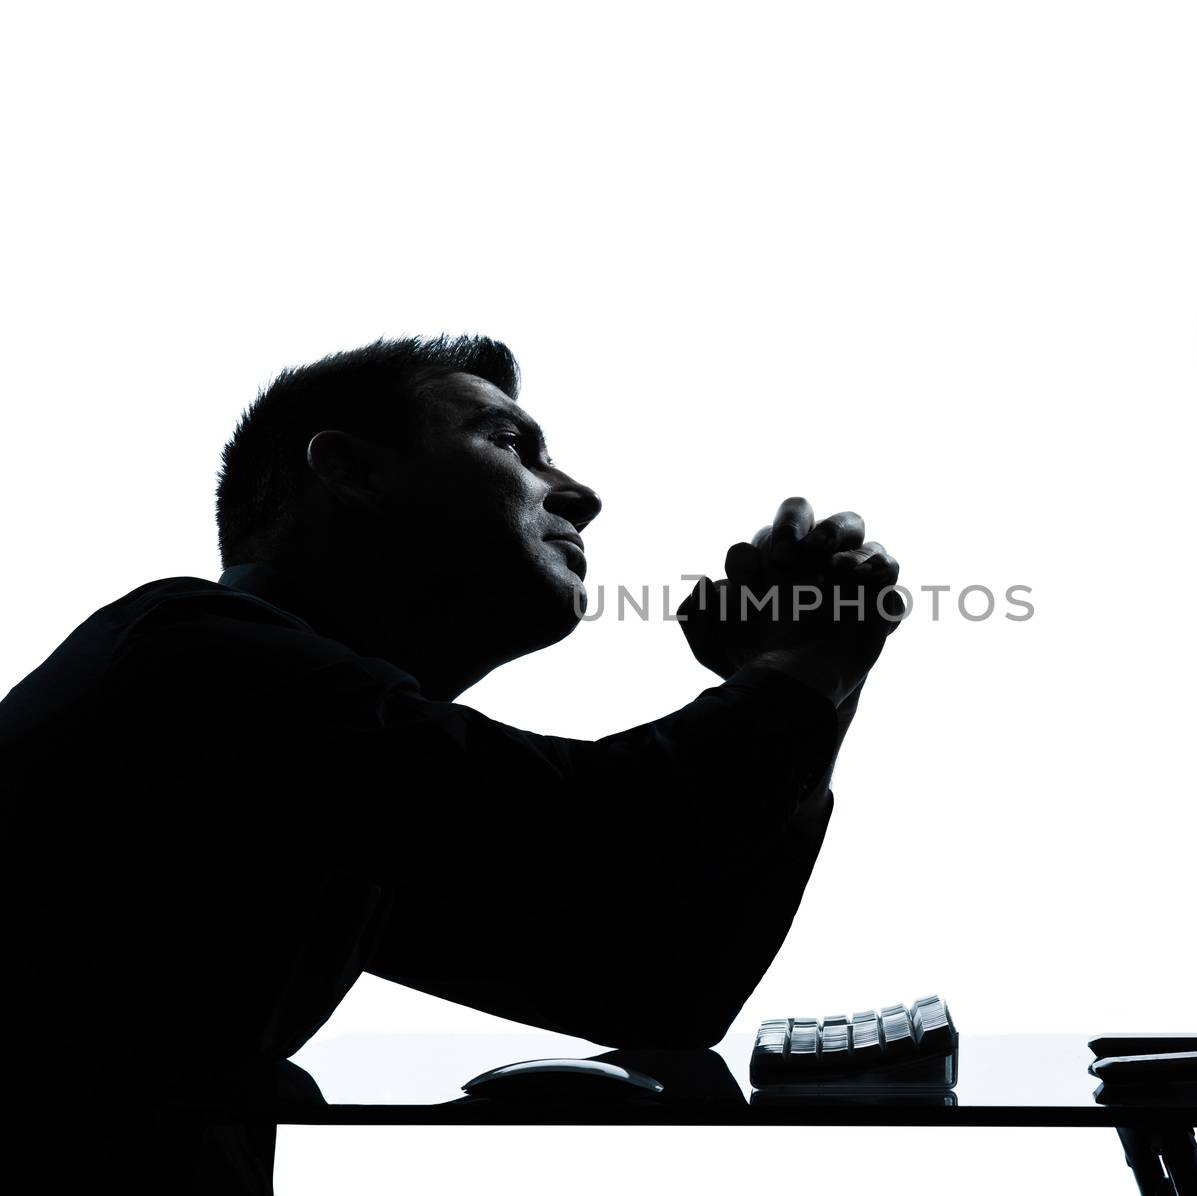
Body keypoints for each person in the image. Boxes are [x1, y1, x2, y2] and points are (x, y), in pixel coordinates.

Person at [1, 335, 901, 1191]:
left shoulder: (307, 769)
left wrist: (810, 679)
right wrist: (804, 666)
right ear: (348, 470)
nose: (579, 494)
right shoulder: (195, 661)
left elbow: (654, 983)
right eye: (512, 443)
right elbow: (612, 837)